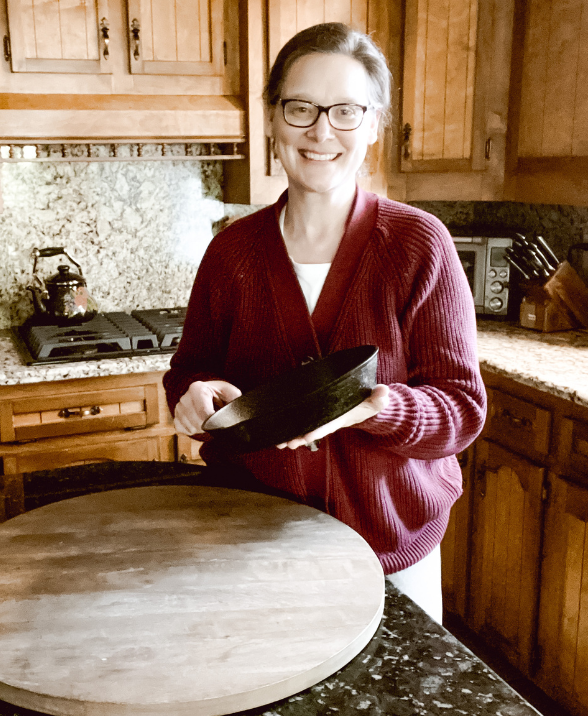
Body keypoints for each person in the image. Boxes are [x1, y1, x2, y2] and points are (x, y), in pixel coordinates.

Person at [163, 22, 486, 624]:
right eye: (301, 107)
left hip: (392, 552)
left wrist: (376, 407)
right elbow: (190, 372)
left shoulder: (420, 245)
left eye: (345, 111)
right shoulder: (231, 253)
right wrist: (194, 397)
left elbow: (463, 410)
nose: (320, 131)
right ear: (271, 117)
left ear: (374, 125)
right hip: (257, 545)